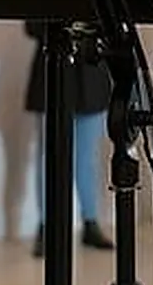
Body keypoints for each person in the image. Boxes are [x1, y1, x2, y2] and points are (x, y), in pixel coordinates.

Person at [24, 21, 114, 258]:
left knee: (86, 157)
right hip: (52, 71)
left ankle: (90, 222)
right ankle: (46, 225)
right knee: (48, 157)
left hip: (90, 75)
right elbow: (31, 25)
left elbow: (109, 26)